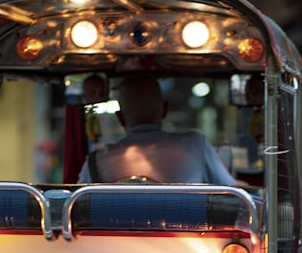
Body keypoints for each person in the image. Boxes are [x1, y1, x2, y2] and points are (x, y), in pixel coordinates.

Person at [77, 73, 239, 185]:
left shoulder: (96, 161)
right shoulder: (196, 144)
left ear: (120, 118)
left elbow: (76, 207)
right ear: (165, 110)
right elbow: (232, 193)